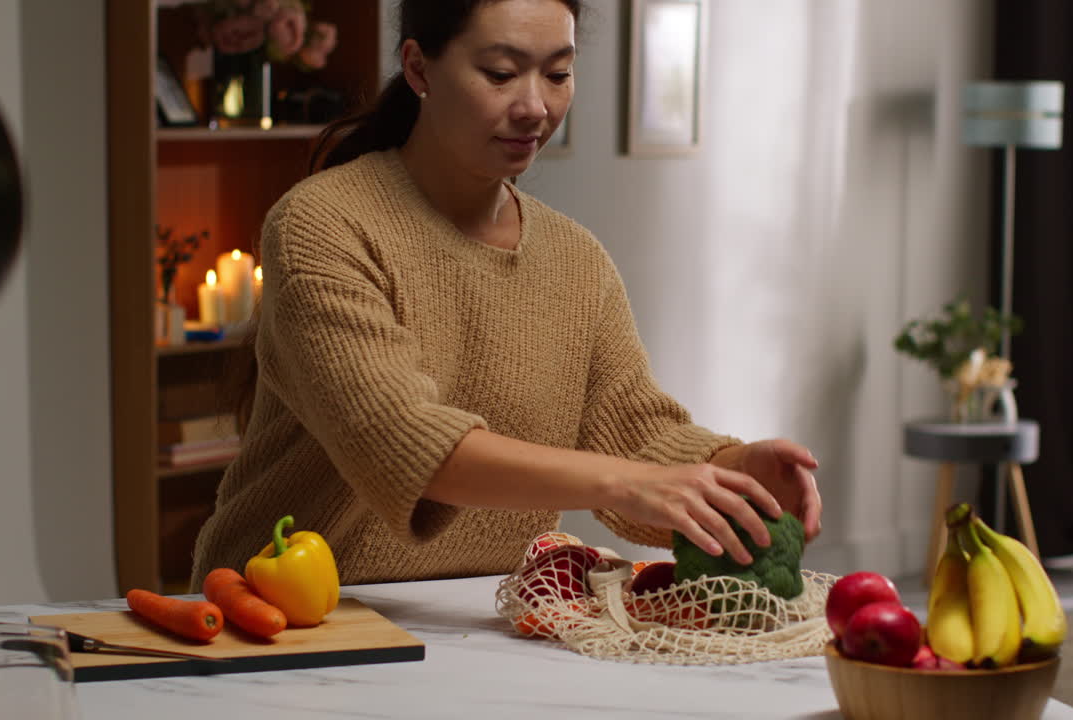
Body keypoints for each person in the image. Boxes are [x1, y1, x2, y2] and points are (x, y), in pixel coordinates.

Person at [190, 0, 822, 590]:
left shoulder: (576, 261)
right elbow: (407, 441)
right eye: (500, 73)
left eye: (558, 73)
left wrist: (734, 468)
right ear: (418, 67)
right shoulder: (322, 225)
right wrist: (636, 483)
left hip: (479, 617)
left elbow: (632, 440)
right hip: (279, 621)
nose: (535, 107)